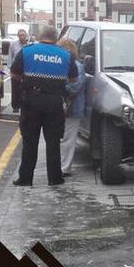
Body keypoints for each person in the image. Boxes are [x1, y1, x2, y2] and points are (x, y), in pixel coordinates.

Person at [11, 26, 77, 186]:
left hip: (31, 101)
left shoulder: (27, 51)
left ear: (41, 36)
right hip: (54, 103)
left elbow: (14, 74)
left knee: (30, 141)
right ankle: (54, 179)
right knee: (53, 142)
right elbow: (73, 78)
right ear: (55, 38)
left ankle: (25, 179)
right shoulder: (66, 55)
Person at [57, 38, 86, 176]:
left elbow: (74, 88)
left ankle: (64, 168)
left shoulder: (77, 66)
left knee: (67, 139)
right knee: (63, 138)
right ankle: (62, 166)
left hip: (71, 108)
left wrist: (57, 87)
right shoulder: (72, 64)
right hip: (65, 107)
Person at [9, 29, 29, 113]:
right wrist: (10, 68)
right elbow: (10, 56)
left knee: (25, 88)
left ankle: (25, 105)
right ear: (18, 36)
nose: (22, 37)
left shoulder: (29, 46)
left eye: (23, 35)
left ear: (26, 36)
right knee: (15, 88)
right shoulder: (13, 45)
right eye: (20, 35)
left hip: (26, 70)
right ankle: (15, 106)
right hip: (16, 70)